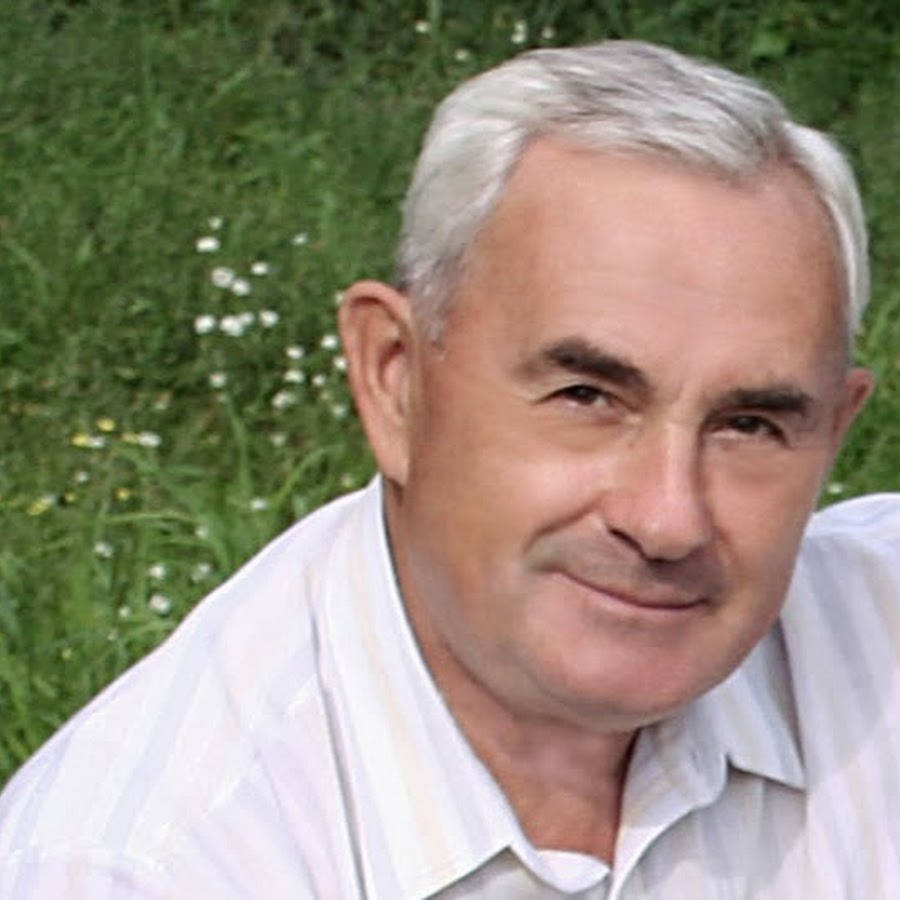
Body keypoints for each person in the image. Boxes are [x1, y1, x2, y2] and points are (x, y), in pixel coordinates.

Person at [1, 38, 898, 898]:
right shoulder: (146, 867)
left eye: (750, 425)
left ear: (834, 432)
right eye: (587, 396)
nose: (667, 519)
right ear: (394, 380)